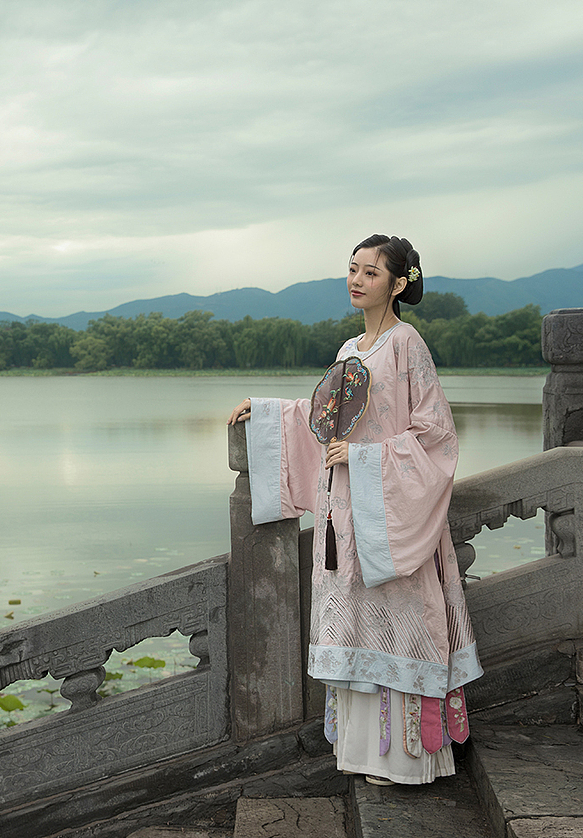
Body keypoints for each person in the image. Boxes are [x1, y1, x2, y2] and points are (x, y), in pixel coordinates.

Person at [227, 234, 481, 786]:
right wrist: (269, 412)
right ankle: (364, 754)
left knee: (402, 621)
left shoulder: (406, 344)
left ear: (398, 283)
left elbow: (435, 434)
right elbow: (322, 416)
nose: (357, 280)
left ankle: (408, 758)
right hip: (345, 511)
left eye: (371, 272)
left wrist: (366, 458)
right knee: (358, 622)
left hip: (391, 513)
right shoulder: (349, 351)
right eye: (353, 270)